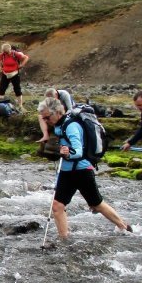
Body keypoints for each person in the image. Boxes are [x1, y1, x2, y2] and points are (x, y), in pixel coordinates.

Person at [38, 97, 131, 238]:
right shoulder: (59, 125)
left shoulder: (71, 126)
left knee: (96, 204)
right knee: (57, 206)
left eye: (47, 117)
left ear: (57, 112)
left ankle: (123, 226)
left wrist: (67, 154)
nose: (45, 121)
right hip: (66, 171)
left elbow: (78, 151)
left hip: (81, 170)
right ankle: (64, 238)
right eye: (43, 118)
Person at [0, 43, 29, 109]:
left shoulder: (15, 54)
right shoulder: (2, 55)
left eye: (7, 52)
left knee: (17, 89)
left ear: (10, 49)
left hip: (15, 74)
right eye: (4, 52)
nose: (6, 53)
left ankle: (20, 105)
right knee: (2, 89)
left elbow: (26, 57)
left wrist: (22, 65)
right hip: (5, 74)